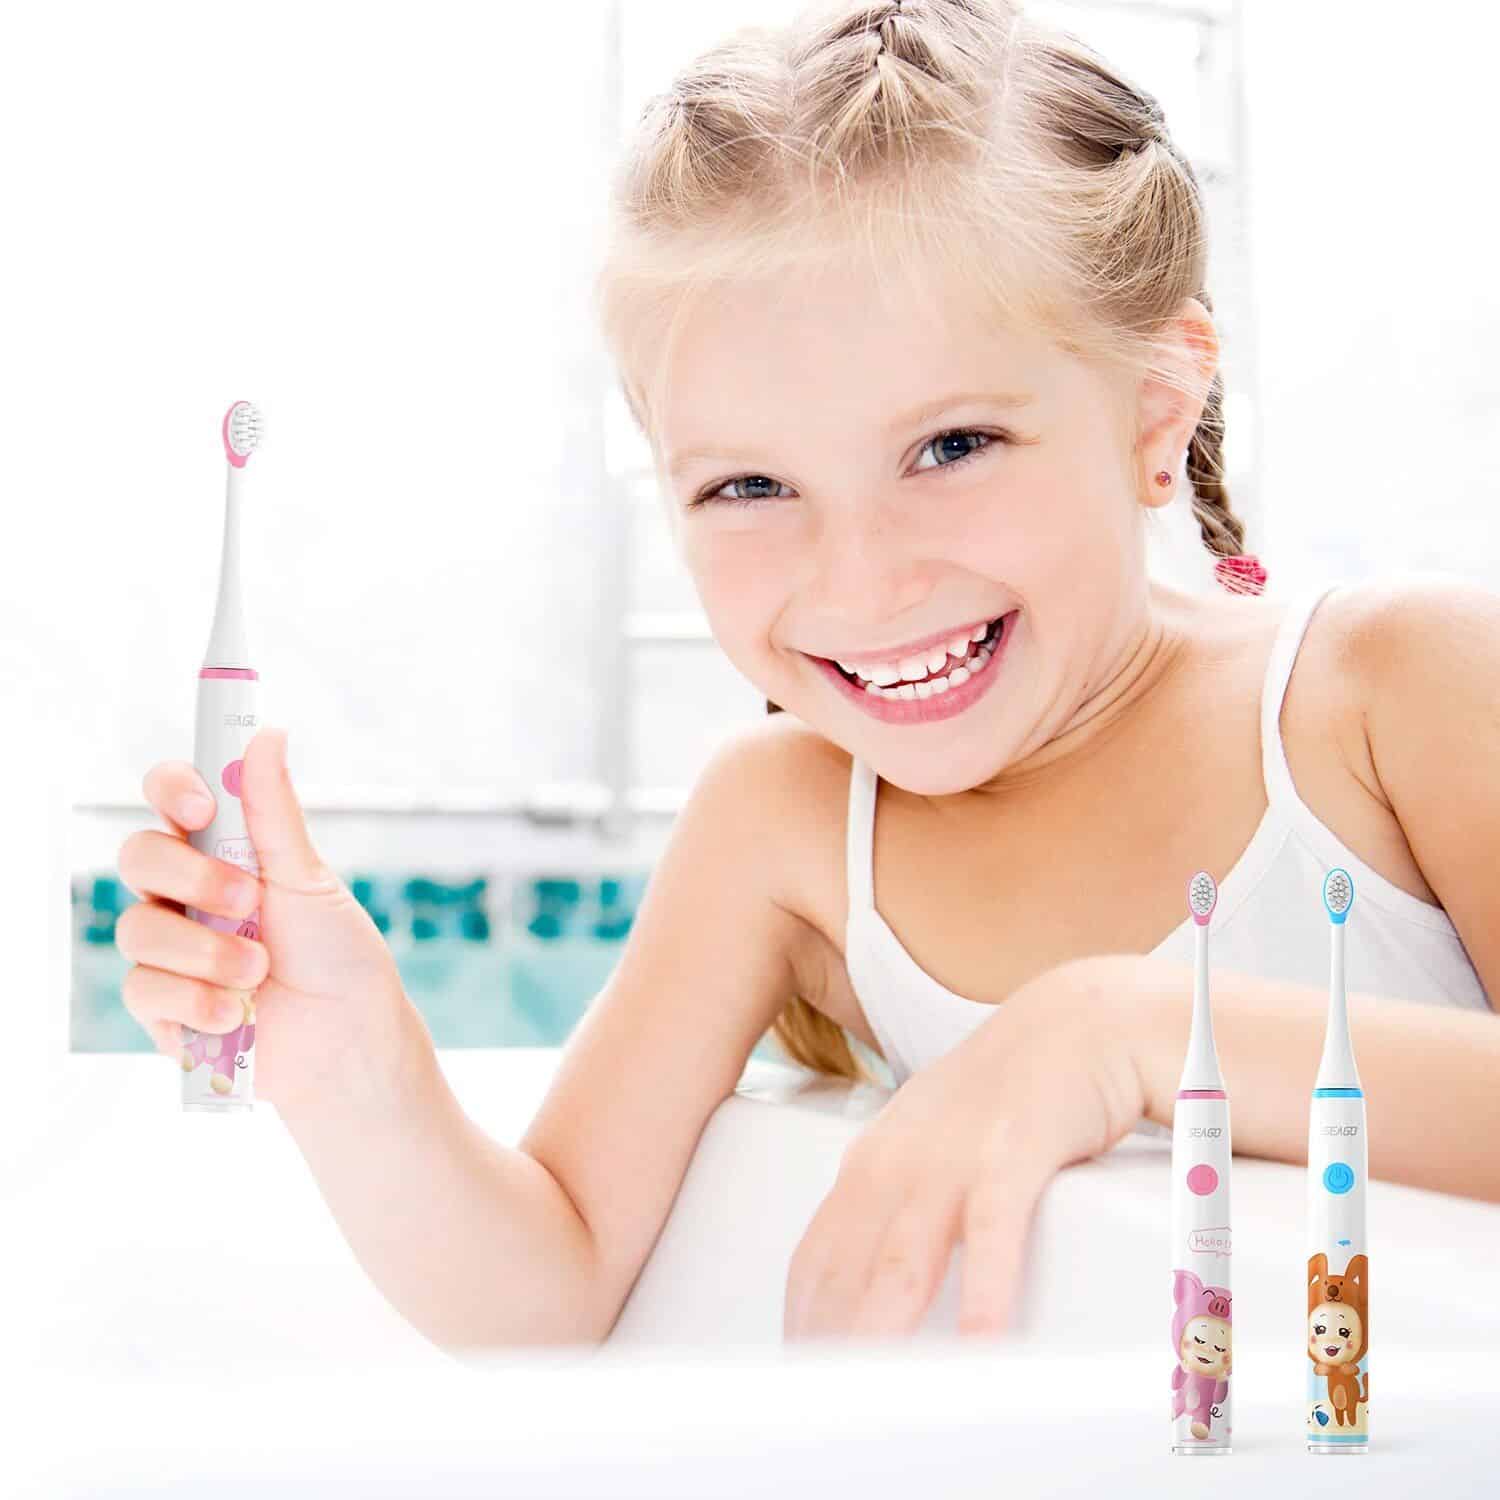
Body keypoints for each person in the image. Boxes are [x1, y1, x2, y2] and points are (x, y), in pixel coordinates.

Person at [115, 0, 1499, 1349]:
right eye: (750, 484)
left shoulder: (1389, 693)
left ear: (1157, 409)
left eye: (951, 446)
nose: (858, 579)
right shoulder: (783, 823)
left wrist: (1130, 1030)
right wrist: (351, 1063)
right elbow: (547, 1286)